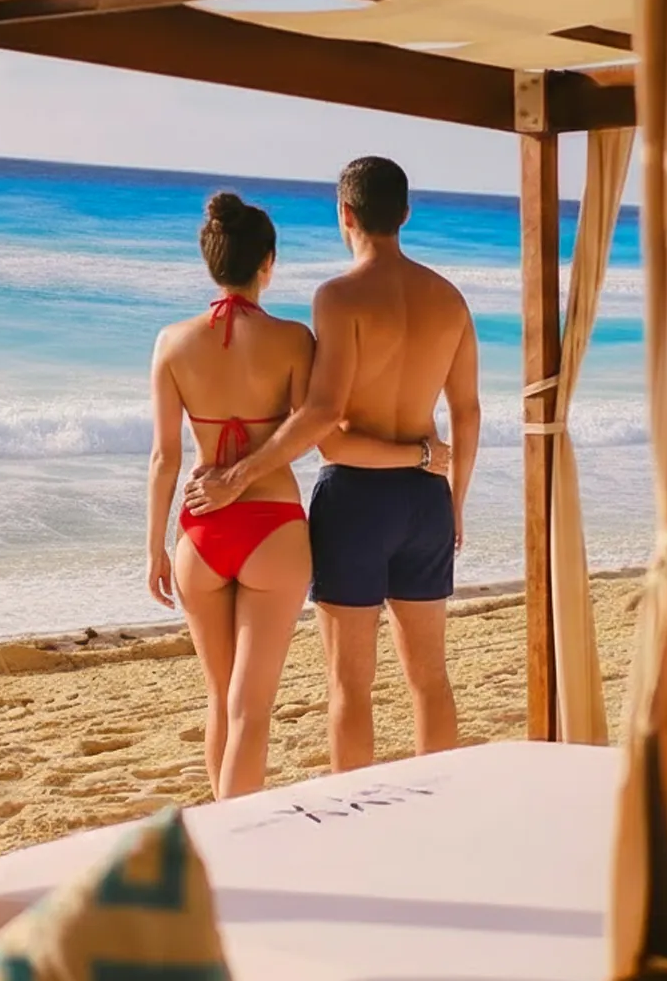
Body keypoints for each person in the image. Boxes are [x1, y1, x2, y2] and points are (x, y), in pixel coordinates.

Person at [147, 191, 449, 800]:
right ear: (269, 263)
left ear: (210, 261)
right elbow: (315, 427)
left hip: (199, 533)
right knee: (250, 709)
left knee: (218, 695)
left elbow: (165, 458)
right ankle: (242, 836)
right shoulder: (293, 339)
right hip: (274, 530)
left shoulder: (171, 343)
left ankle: (223, 842)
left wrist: (155, 546)